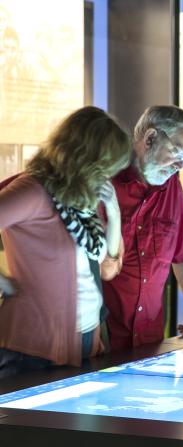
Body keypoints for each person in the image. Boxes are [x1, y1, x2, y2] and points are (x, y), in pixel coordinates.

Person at [0, 106, 130, 377]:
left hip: (86, 338)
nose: (108, 176)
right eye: (105, 167)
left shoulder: (79, 199)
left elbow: (107, 269)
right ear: (85, 158)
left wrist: (114, 214)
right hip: (35, 347)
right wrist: (3, 282)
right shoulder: (32, 191)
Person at [102, 105, 183, 352]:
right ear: (150, 138)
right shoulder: (103, 176)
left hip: (149, 341)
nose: (178, 166)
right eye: (177, 154)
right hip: (101, 340)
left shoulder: (171, 186)